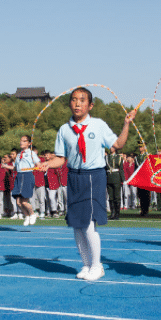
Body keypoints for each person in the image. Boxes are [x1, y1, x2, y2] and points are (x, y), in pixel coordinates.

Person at [38, 87, 137, 281]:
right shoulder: (64, 129)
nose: (77, 103)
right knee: (76, 224)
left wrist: (126, 125)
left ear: (90, 105)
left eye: (82, 100)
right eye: (74, 100)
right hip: (74, 176)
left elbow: (117, 145)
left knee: (89, 223)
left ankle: (97, 265)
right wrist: (47, 164)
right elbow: (61, 158)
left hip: (94, 177)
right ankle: (85, 264)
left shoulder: (98, 125)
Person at [5, 135, 40, 226]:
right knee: (18, 202)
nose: (21, 142)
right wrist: (6, 166)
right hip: (19, 176)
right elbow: (16, 168)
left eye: (24, 141)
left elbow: (38, 164)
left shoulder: (32, 153)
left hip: (27, 175)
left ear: (29, 143)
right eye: (21, 140)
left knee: (24, 201)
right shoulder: (19, 155)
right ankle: (27, 216)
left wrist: (37, 167)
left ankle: (33, 214)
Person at [105, 146, 123, 220]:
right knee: (111, 197)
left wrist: (123, 180)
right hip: (109, 177)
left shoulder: (119, 157)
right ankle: (112, 213)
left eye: (112, 147)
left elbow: (121, 169)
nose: (111, 148)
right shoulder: (106, 157)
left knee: (117, 197)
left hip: (116, 178)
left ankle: (117, 214)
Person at [135, 142, 151, 216]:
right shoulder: (137, 157)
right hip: (139, 178)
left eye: (141, 147)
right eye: (139, 147)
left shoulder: (147, 156)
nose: (140, 148)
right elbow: (136, 169)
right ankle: (142, 210)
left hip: (146, 177)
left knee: (146, 195)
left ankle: (146, 210)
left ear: (144, 148)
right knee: (140, 195)